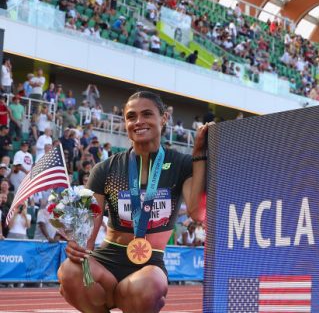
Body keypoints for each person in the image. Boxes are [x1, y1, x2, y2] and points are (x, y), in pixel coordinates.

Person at [58, 91, 210, 313]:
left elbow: (197, 213)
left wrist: (198, 156)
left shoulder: (181, 163)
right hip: (106, 262)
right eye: (131, 116)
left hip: (150, 265)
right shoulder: (105, 169)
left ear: (164, 118)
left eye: (147, 114)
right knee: (69, 272)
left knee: (151, 285)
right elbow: (88, 234)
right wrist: (77, 247)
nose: (138, 122)